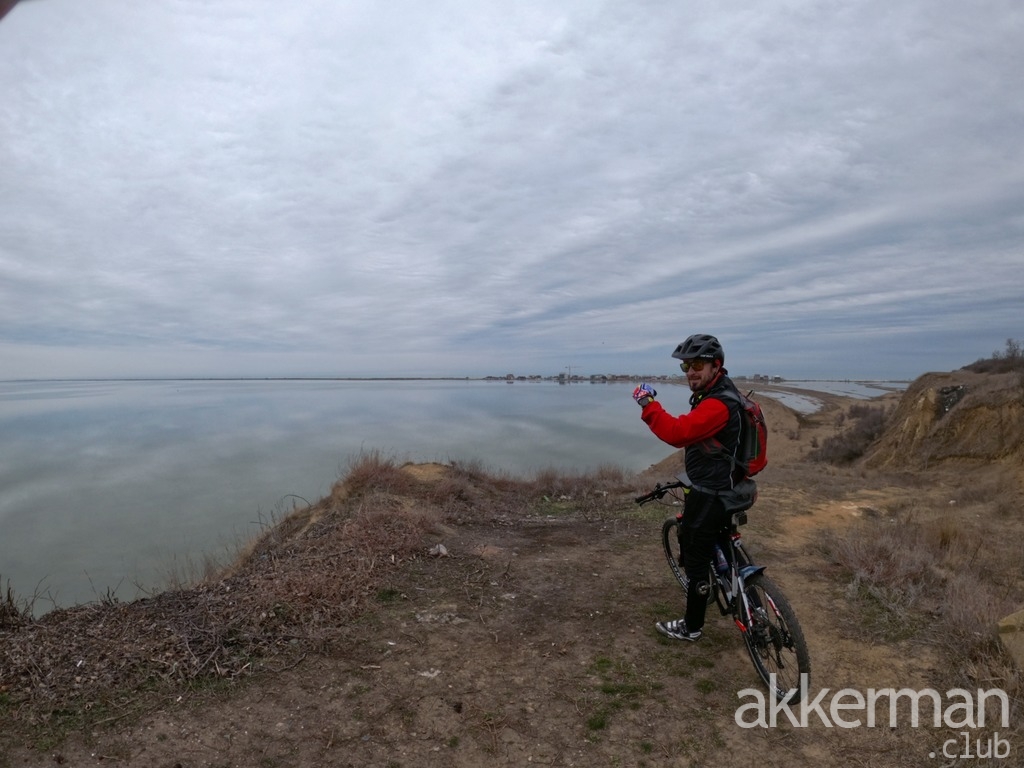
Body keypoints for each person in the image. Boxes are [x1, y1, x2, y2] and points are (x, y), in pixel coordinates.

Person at [632, 333, 745, 642]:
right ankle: (745, 593)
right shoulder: (722, 391)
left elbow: (678, 432)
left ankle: (691, 627)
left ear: (715, 365)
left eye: (697, 364)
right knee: (720, 541)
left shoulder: (718, 403)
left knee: (696, 562)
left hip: (712, 492)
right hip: (727, 484)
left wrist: (648, 404)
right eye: (686, 367)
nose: (691, 372)